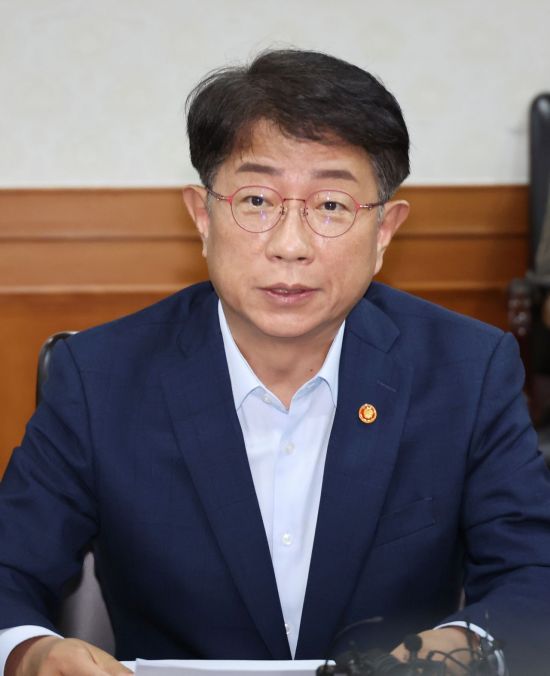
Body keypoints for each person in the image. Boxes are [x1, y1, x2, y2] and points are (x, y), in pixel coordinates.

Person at [1, 49, 550, 676]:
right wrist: (31, 652)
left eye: (331, 206)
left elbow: (534, 574)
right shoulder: (98, 376)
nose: (290, 246)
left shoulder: (466, 371)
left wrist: (453, 652)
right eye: (257, 201)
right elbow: (9, 569)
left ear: (384, 232)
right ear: (202, 216)